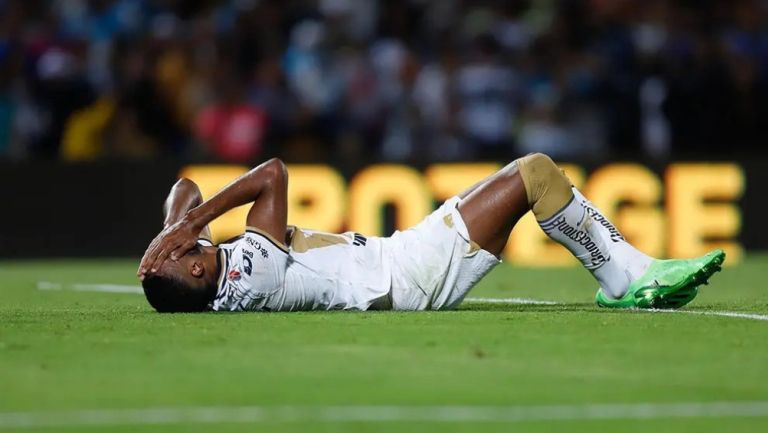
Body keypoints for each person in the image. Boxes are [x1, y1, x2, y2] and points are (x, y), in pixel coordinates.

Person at [137, 154, 724, 313]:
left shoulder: (212, 282)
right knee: (535, 173)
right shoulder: (252, 268)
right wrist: (184, 224)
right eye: (185, 250)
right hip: (407, 273)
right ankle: (628, 276)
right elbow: (271, 174)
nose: (189, 240)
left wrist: (170, 231)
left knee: (530, 179)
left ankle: (623, 275)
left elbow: (185, 187)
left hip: (402, 264)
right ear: (196, 268)